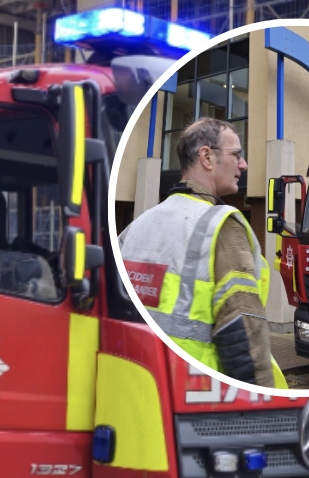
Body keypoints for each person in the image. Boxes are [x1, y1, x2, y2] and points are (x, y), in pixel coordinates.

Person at [120, 118, 287, 388]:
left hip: (133, 390)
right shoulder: (220, 226)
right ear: (207, 157)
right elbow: (245, 344)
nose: (243, 165)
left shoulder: (136, 227)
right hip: (196, 396)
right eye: (236, 155)